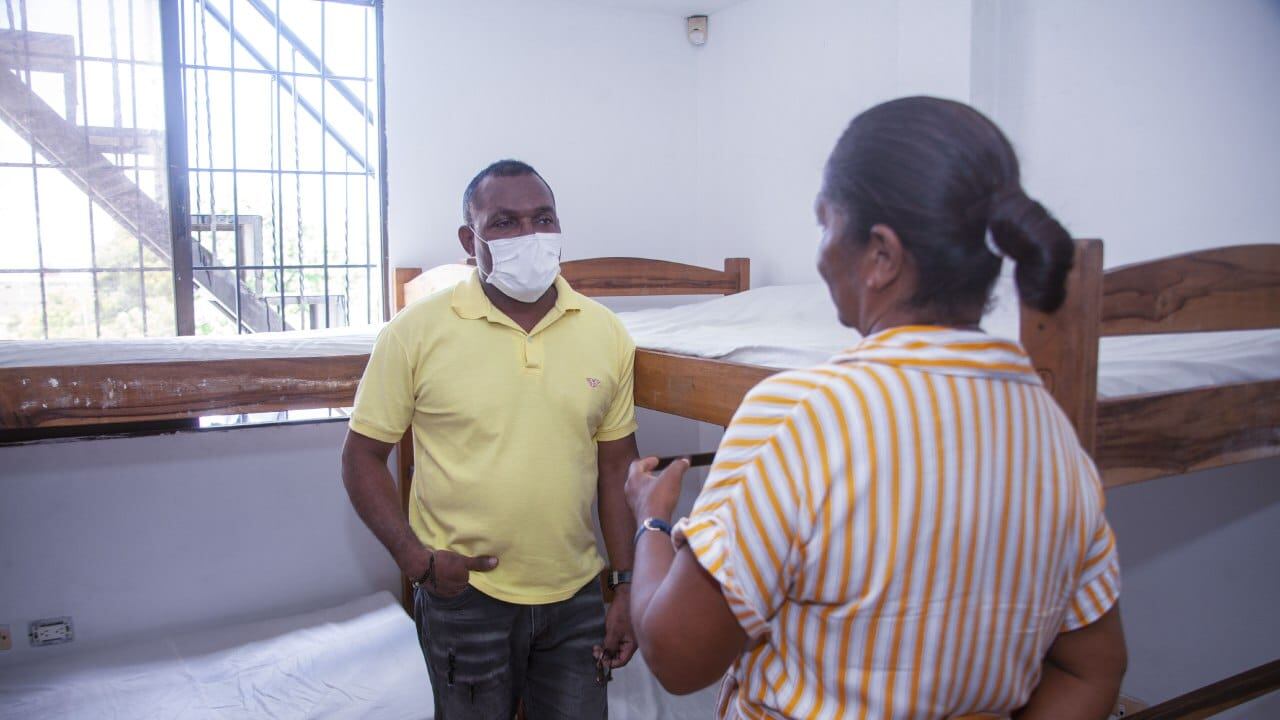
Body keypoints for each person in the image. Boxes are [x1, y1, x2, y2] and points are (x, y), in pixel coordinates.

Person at [623, 97, 1127, 719]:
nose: (820, 254)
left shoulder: (798, 413)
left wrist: (651, 523)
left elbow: (675, 656)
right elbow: (1092, 668)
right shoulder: (1051, 429)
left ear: (882, 256)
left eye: (826, 224)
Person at [342, 159, 640, 719]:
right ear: (469, 238)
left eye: (542, 218)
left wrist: (626, 586)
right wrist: (417, 560)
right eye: (504, 222)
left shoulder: (606, 332)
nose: (529, 236)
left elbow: (618, 469)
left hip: (576, 596)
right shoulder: (415, 332)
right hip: (463, 597)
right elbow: (361, 457)